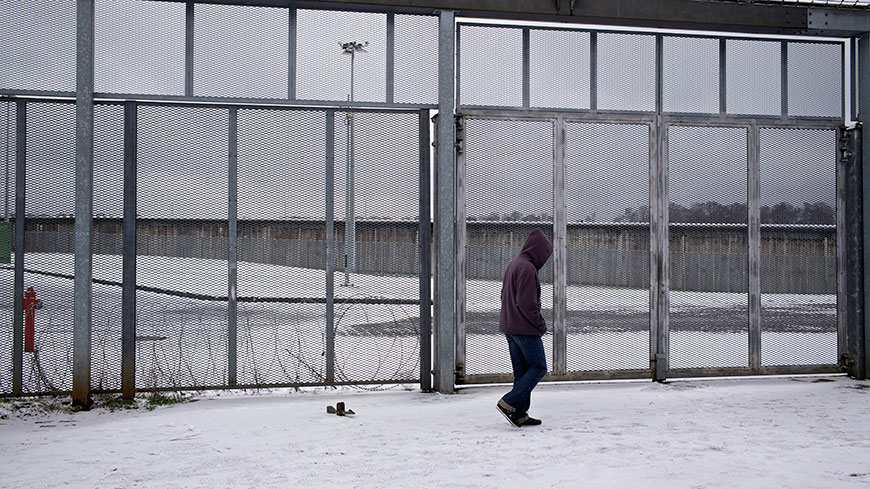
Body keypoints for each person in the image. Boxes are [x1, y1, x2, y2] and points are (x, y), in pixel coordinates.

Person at [496, 228, 553, 427]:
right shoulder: (528, 269)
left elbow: (504, 294)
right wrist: (540, 324)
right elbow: (527, 304)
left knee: (522, 372)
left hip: (510, 327)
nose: (544, 260)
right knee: (538, 367)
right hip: (525, 329)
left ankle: (519, 413)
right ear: (538, 251)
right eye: (544, 255)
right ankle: (509, 402)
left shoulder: (514, 264)